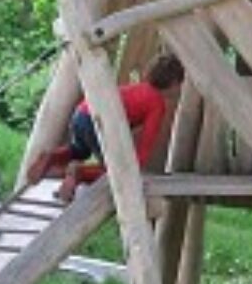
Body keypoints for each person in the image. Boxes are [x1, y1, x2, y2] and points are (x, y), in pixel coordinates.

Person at [25, 53, 186, 202]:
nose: (180, 89)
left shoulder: (138, 88)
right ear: (173, 83)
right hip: (96, 122)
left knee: (80, 150)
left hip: (82, 113)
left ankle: (51, 157)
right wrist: (133, 169)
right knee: (115, 170)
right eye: (180, 84)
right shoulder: (156, 103)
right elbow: (147, 141)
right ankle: (80, 173)